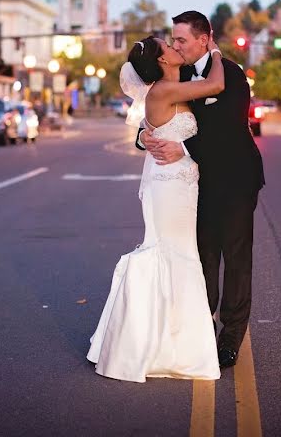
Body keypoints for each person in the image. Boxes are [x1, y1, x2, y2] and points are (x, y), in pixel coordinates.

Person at [87, 34, 225, 383]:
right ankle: (152, 346)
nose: (176, 47)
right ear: (162, 61)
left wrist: (149, 136)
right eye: (170, 45)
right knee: (173, 254)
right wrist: (215, 51)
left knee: (179, 254)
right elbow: (217, 84)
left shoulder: (175, 87)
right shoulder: (163, 91)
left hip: (181, 181)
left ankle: (171, 343)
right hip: (168, 185)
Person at [140, 11, 265, 369]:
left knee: (236, 258)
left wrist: (184, 148)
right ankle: (201, 330)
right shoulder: (177, 78)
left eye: (181, 40)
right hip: (196, 186)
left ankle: (231, 337)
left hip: (236, 179)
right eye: (173, 40)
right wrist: (146, 136)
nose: (176, 45)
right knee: (203, 257)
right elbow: (161, 115)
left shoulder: (233, 75)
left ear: (204, 39)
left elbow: (226, 129)